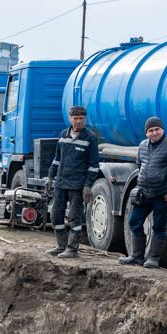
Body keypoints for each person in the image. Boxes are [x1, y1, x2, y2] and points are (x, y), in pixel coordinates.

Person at [120, 116, 167, 268]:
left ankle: (154, 258)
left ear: (163, 129)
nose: (154, 133)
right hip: (144, 193)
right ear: (146, 133)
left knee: (159, 226)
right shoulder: (142, 146)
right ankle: (137, 256)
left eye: (157, 129)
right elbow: (140, 164)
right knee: (134, 222)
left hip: (163, 194)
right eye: (151, 130)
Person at [44, 105, 99, 258]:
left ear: (85, 119)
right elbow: (56, 159)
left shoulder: (90, 138)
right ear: (70, 118)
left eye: (81, 119)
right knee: (55, 215)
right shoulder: (63, 135)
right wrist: (50, 177)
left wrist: (88, 186)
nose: (78, 122)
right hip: (61, 183)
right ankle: (61, 246)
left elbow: (93, 166)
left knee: (74, 217)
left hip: (77, 185)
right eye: (75, 118)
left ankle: (72, 249)